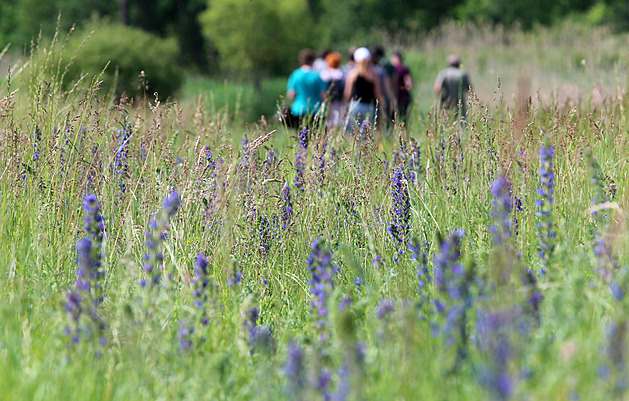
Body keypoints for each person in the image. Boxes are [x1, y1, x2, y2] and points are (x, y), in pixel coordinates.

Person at [343, 47, 384, 133]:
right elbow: (378, 93)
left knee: (354, 131)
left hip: (355, 105)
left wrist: (345, 106)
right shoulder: (373, 74)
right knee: (367, 133)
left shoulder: (353, 74)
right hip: (370, 106)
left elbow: (348, 93)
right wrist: (383, 106)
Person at [285, 49, 327, 127]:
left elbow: (291, 94)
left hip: (298, 109)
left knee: (300, 135)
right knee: (314, 135)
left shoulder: (295, 75)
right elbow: (323, 95)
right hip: (315, 110)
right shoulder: (317, 76)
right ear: (313, 61)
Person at [434, 54, 472, 120]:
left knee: (447, 122)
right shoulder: (463, 73)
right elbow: (469, 89)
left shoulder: (444, 73)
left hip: (447, 103)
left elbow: (438, 87)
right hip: (461, 103)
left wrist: (440, 98)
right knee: (461, 121)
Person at [371, 45, 396, 128]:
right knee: (385, 122)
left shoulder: (371, 66)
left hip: (373, 97)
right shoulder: (388, 65)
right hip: (385, 95)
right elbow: (393, 80)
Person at [319, 51, 345, 129]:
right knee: (339, 122)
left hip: (327, 101)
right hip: (339, 101)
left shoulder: (323, 74)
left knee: (328, 123)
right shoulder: (342, 73)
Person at [391, 51, 413, 123]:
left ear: (396, 58)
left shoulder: (393, 69)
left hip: (394, 97)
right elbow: (409, 85)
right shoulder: (405, 69)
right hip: (404, 98)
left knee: (392, 121)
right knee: (405, 121)